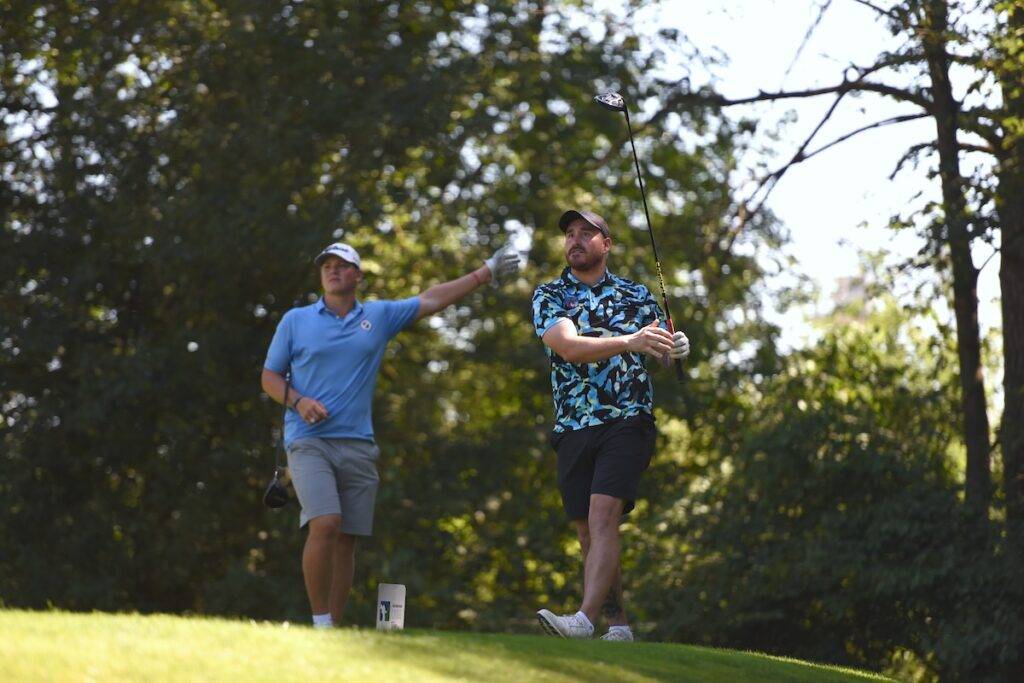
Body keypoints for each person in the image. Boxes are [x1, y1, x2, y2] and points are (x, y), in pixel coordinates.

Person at [261, 239, 523, 629]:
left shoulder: (379, 316)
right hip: (307, 440)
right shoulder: (295, 321)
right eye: (326, 265)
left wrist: (485, 272)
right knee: (326, 523)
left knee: (347, 538)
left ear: (358, 275)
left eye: (342, 264)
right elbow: (269, 377)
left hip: (359, 445)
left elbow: (432, 300)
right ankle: (319, 624)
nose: (333, 270)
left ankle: (332, 626)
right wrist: (298, 401)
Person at [531, 209, 689, 641]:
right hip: (573, 425)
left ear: (607, 244)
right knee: (588, 531)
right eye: (569, 234)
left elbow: (657, 355)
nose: (575, 240)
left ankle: (582, 620)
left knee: (603, 516)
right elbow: (568, 348)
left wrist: (672, 347)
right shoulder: (550, 295)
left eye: (586, 233)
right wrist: (631, 341)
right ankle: (619, 626)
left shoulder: (636, 295)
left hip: (627, 419)